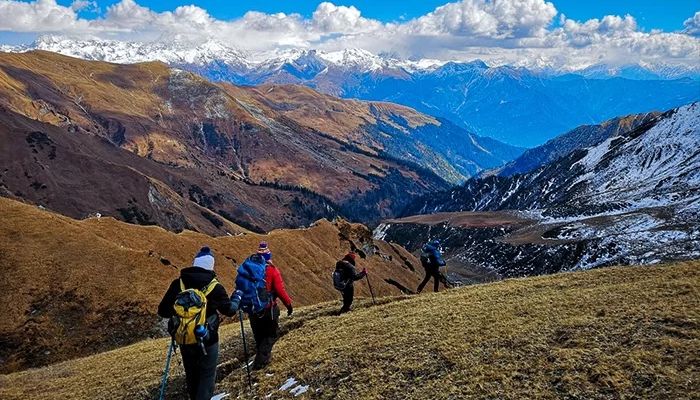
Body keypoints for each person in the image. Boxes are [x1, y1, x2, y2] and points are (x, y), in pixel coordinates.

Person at [157, 247, 237, 400]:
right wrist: (236, 298)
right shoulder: (215, 287)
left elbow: (163, 311)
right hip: (208, 339)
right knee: (206, 376)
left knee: (192, 375)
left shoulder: (178, 284)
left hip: (185, 338)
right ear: (211, 266)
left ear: (195, 263)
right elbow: (229, 311)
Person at [248, 241, 293, 370]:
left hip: (253, 310)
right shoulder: (272, 271)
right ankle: (261, 363)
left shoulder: (249, 270)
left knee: (259, 336)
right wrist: (288, 304)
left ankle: (261, 358)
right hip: (268, 309)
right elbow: (280, 290)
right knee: (271, 335)